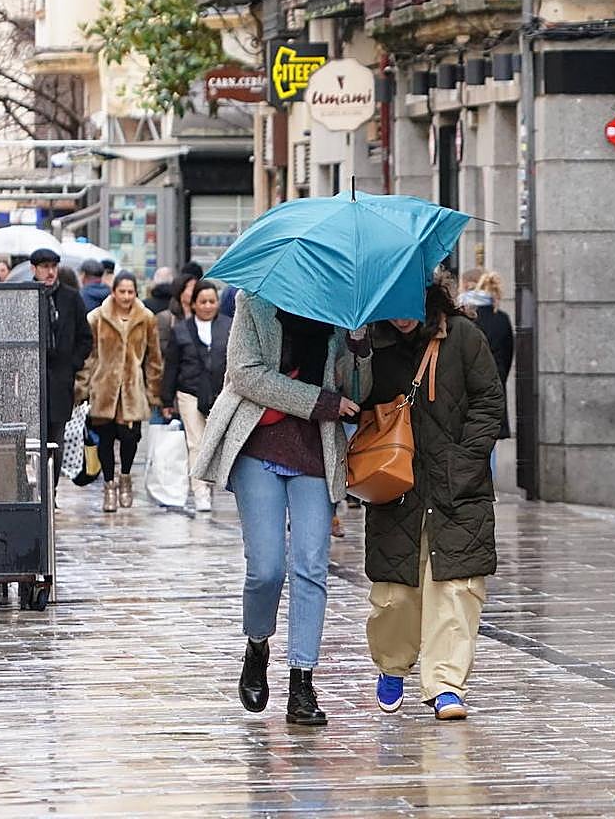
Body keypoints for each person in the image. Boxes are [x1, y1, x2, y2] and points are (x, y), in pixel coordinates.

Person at [192, 292, 372, 727]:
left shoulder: (339, 308)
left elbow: (356, 393)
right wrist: (318, 401)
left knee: (311, 565)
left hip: (316, 451)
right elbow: (246, 376)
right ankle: (257, 644)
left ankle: (302, 681)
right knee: (266, 568)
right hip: (258, 445)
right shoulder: (254, 303)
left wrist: (359, 345)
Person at [362, 272, 504, 721]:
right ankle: (392, 665)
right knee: (395, 594)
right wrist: (355, 351)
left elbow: (489, 402)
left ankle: (446, 684)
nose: (402, 317)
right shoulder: (373, 344)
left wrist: (465, 462)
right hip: (396, 483)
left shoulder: (463, 336)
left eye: (409, 303)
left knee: (457, 588)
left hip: (457, 486)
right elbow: (356, 399)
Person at [76, 270, 163, 512]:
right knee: (104, 439)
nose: (126, 296)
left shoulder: (146, 318)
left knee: (129, 438)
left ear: (136, 292)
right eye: (121, 291)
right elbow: (89, 356)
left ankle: (125, 476)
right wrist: (82, 387)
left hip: (132, 388)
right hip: (103, 387)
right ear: (113, 291)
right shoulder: (97, 317)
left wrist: (153, 389)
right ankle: (109, 485)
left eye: (130, 291)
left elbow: (154, 358)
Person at [161, 280, 232, 512]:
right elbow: (171, 366)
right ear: (193, 304)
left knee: (219, 444)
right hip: (189, 392)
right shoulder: (181, 330)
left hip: (221, 394)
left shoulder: (229, 327)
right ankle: (200, 491)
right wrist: (166, 399)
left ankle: (215, 484)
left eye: (212, 301)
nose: (208, 306)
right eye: (203, 301)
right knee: (196, 444)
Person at [29, 248, 93, 489]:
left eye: (53, 266)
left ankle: (50, 490)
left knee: (57, 437)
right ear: (33, 269)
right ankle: (35, 490)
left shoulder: (70, 297)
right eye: (44, 267)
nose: (50, 272)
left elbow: (85, 337)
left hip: (61, 378)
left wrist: (72, 364)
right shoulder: (27, 294)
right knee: (35, 438)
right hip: (32, 377)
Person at [458, 271, 514, 473]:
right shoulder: (501, 318)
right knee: (487, 441)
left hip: (463, 388)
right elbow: (507, 358)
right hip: (493, 386)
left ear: (464, 285)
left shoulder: (460, 317)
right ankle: (486, 485)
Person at [156, 272, 198, 365]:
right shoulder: (165, 318)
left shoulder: (202, 316)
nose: (196, 292)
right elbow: (161, 346)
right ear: (180, 291)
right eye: (192, 288)